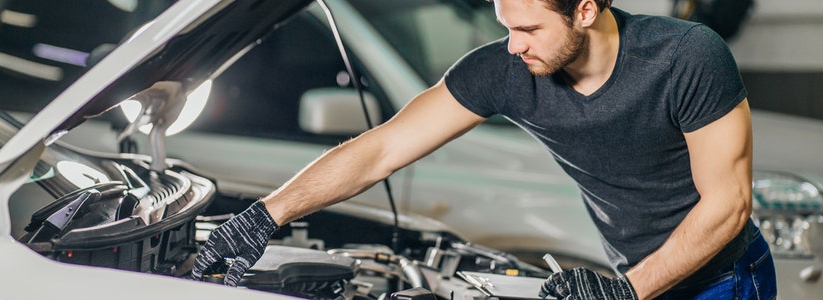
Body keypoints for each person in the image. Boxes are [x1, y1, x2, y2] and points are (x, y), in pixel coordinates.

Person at [191, 0, 777, 299]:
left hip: (720, 278)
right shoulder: (504, 69)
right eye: (505, 25)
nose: (513, 46)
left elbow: (727, 205)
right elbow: (382, 148)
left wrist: (625, 292)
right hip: (632, 281)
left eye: (529, 29)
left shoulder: (686, 58)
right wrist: (266, 214)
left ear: (585, 10)